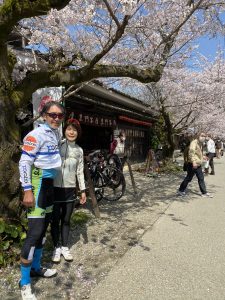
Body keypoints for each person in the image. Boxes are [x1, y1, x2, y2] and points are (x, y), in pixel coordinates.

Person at [19, 101, 65, 300]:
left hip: (49, 184)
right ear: (44, 115)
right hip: (37, 183)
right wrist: (27, 190)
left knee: (44, 228)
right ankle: (24, 282)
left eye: (59, 115)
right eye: (52, 114)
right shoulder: (35, 135)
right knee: (34, 232)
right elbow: (24, 162)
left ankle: (36, 268)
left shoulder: (55, 133)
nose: (56, 118)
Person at [51, 118, 86, 263]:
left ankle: (65, 247)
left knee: (66, 219)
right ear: (64, 131)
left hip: (70, 189)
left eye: (75, 130)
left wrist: (83, 190)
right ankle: (56, 247)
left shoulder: (79, 150)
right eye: (69, 129)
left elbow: (80, 171)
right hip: (54, 188)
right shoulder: (57, 145)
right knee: (55, 219)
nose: (71, 132)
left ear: (78, 133)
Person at [177, 132, 212, 198]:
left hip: (198, 164)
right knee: (188, 178)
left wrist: (203, 156)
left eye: (204, 136)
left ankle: (204, 192)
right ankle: (181, 190)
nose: (203, 137)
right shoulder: (194, 143)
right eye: (202, 135)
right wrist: (193, 162)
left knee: (201, 178)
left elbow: (197, 153)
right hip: (193, 164)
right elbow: (191, 153)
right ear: (198, 136)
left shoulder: (200, 143)